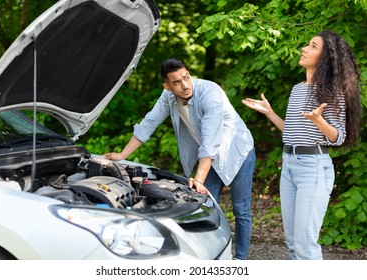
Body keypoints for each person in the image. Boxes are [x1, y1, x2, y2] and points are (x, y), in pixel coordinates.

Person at [104, 57, 256, 260]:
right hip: (210, 157)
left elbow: (210, 143)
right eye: (177, 82)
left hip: (237, 152)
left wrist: (199, 179)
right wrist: (122, 155)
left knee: (241, 209)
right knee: (205, 206)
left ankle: (241, 259)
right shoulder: (168, 97)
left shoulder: (210, 93)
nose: (185, 85)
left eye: (186, 77)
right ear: (167, 86)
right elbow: (150, 122)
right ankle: (209, 256)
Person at [242, 30, 362, 260]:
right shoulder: (297, 89)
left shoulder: (332, 91)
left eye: (313, 46)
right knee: (293, 243)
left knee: (306, 244)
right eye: (308, 44)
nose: (304, 49)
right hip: (289, 166)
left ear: (325, 57)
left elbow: (338, 137)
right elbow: (293, 131)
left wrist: (319, 120)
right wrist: (269, 114)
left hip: (313, 168)